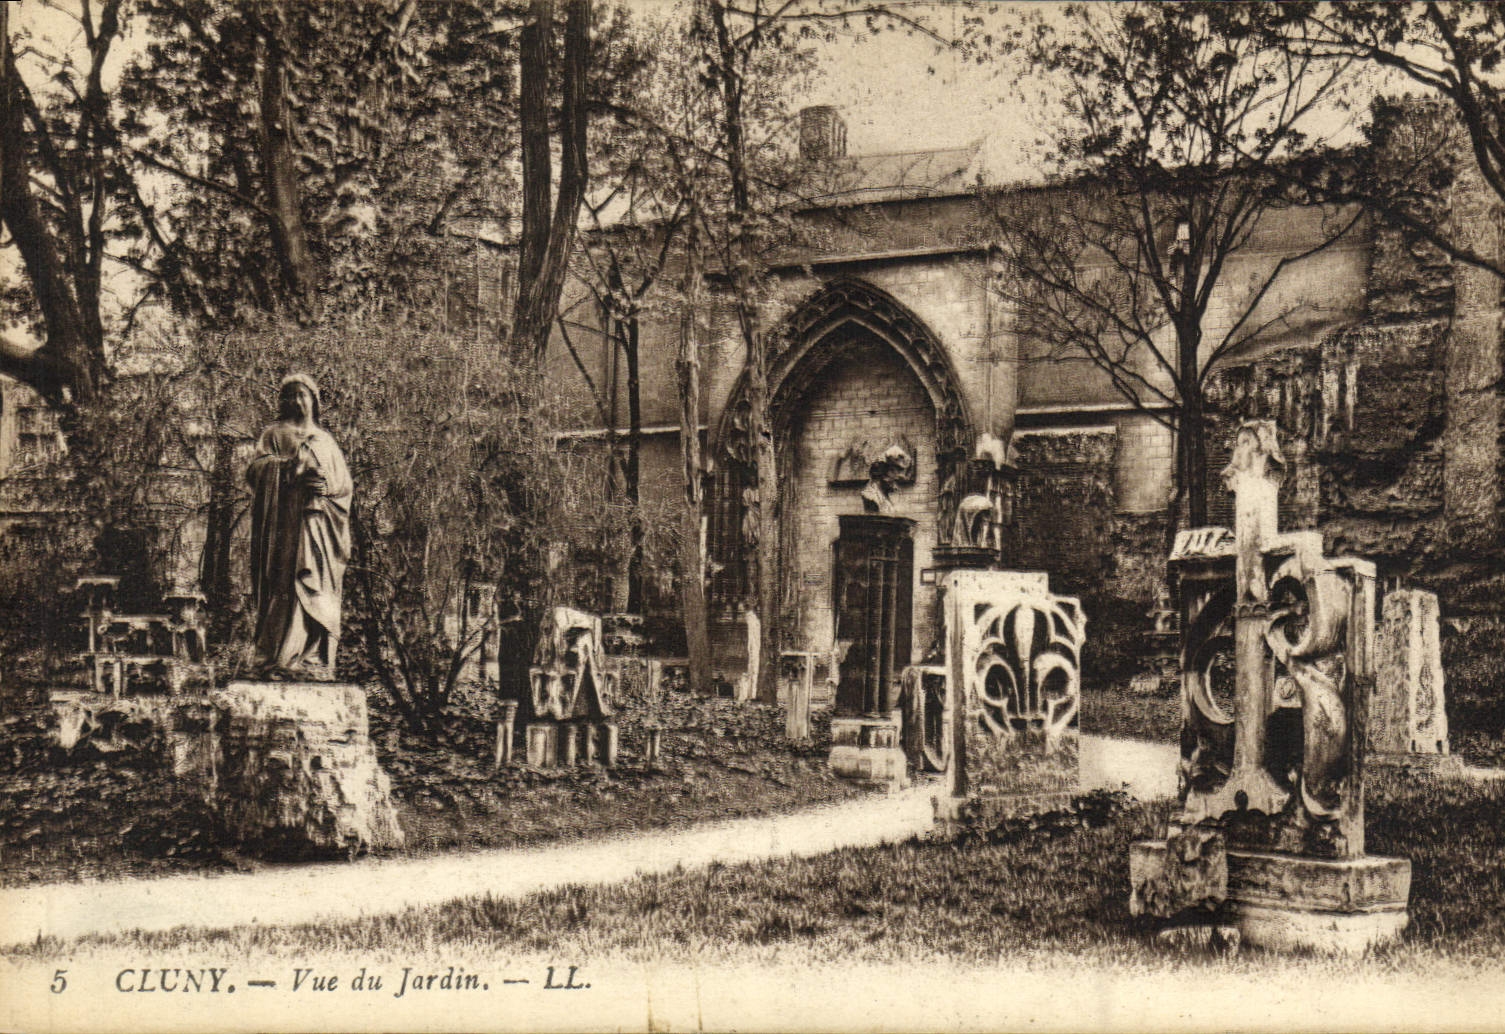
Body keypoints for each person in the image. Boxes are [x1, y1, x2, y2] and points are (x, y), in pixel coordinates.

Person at [246, 374, 352, 678]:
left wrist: (325, 487)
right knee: (285, 585)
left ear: (314, 400)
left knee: (316, 585)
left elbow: (343, 487)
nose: (296, 401)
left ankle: (313, 658)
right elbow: (255, 471)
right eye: (290, 396)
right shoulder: (274, 435)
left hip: (318, 526)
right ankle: (278, 657)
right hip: (284, 527)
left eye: (302, 395)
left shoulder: (326, 441)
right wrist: (289, 469)